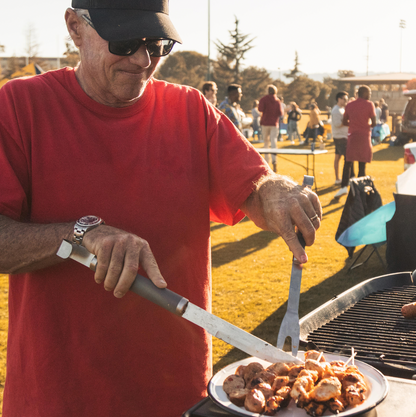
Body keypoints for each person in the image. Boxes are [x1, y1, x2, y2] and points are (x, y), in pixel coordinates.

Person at [0, 1, 322, 417]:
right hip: (58, 396)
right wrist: (82, 234)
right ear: (75, 28)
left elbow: (255, 189)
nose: (142, 59)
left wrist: (277, 188)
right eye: (126, 41)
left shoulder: (190, 109)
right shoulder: (18, 106)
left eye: (157, 45)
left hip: (177, 395)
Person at [336, 85, 376, 197]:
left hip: (353, 136)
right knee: (362, 164)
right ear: (365, 93)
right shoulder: (369, 105)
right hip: (364, 136)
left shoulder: (349, 104)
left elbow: (344, 121)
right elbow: (374, 123)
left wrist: (354, 124)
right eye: (369, 93)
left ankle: (343, 187)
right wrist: (364, 124)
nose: (370, 95)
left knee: (348, 162)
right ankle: (360, 190)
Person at [331, 91, 354, 186]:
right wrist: (348, 121)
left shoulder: (342, 109)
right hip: (340, 137)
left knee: (338, 157)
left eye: (347, 99)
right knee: (348, 158)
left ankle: (338, 178)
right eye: (344, 99)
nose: (346, 101)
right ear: (339, 99)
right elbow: (337, 124)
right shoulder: (336, 110)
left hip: (343, 136)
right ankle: (349, 179)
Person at [258, 85, 283, 170]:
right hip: (274, 124)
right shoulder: (277, 101)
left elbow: (260, 109)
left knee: (266, 143)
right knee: (273, 142)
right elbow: (280, 113)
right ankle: (274, 161)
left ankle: (266, 162)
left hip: (265, 123)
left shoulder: (264, 99)